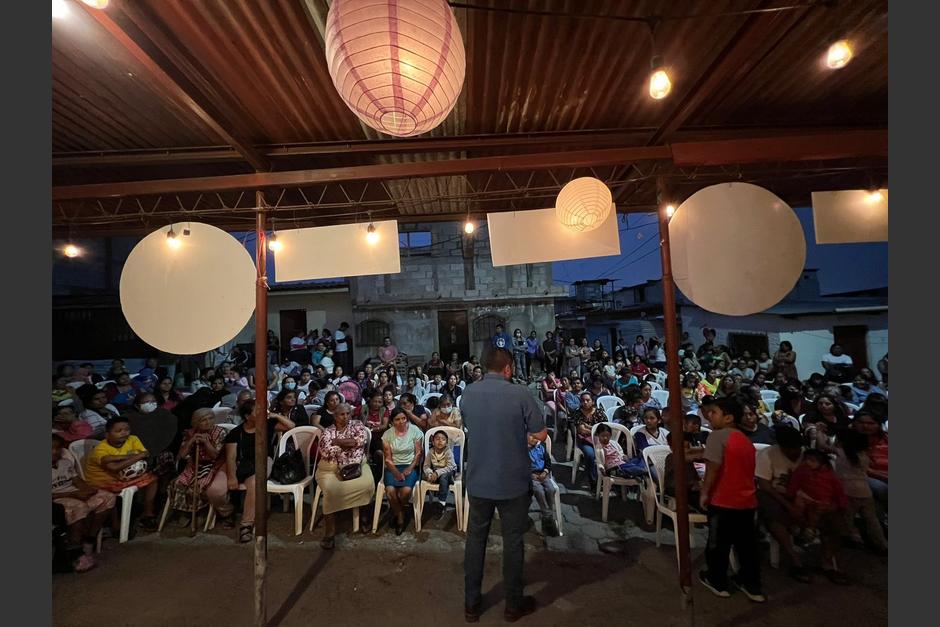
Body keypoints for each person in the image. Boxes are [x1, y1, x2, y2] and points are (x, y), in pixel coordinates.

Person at [462, 346, 546, 622]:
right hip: (512, 482)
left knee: (475, 541)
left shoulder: (468, 394)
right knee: (512, 542)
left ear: (485, 367)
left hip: (478, 480)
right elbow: (540, 433)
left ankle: (471, 604)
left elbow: (471, 427)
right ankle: (512, 604)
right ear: (509, 368)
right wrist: (525, 439)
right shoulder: (519, 393)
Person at [698, 396, 765, 602]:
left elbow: (713, 468)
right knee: (747, 546)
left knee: (718, 544)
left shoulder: (717, 437)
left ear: (728, 417)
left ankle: (717, 581)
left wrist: (705, 492)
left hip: (724, 499)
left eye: (714, 412)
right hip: (747, 500)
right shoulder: (744, 439)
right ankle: (751, 584)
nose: (709, 415)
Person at [224, 400, 295, 542]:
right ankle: (230, 512)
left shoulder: (267, 425)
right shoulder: (236, 433)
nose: (262, 413)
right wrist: (232, 476)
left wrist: (275, 415)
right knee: (250, 484)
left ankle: (246, 525)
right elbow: (230, 457)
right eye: (257, 411)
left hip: (264, 461)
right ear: (247, 416)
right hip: (244, 465)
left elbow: (291, 426)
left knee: (255, 483)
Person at [52, 434, 116, 572]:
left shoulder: (65, 463)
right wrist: (74, 495)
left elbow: (76, 481)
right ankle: (76, 551)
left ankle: (89, 539)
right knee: (79, 507)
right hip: (58, 500)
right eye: (52, 448)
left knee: (107, 497)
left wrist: (88, 490)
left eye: (58, 448)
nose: (55, 451)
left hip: (75, 493)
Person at [83, 416, 160, 531]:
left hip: (122, 477)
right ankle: (117, 526)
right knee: (112, 494)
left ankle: (148, 514)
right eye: (118, 431)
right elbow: (115, 468)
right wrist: (137, 456)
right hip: (103, 481)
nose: (124, 433)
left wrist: (119, 458)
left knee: (152, 479)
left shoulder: (133, 439)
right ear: (107, 434)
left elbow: (146, 453)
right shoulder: (100, 449)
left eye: (127, 429)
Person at [315, 402, 374, 549]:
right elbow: (326, 451)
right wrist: (349, 444)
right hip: (331, 469)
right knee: (331, 491)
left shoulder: (357, 424)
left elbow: (360, 441)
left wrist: (338, 442)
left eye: (348, 413)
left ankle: (364, 517)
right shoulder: (328, 431)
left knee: (367, 484)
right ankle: (330, 532)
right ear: (335, 416)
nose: (345, 416)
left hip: (356, 466)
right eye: (342, 414)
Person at [167, 408, 231, 526]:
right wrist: (191, 441)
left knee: (200, 484)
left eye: (210, 418)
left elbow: (215, 455)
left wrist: (206, 443)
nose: (208, 422)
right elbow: (182, 454)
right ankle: (186, 512)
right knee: (178, 483)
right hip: (194, 465)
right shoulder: (189, 433)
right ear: (196, 423)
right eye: (203, 420)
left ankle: (201, 511)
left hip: (214, 465)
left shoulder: (221, 432)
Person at [381, 407, 424, 535]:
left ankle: (395, 510)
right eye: (397, 419)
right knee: (390, 492)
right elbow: (388, 458)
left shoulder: (415, 431)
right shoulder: (388, 435)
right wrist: (396, 472)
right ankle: (400, 516)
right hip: (393, 466)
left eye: (404, 418)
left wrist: (410, 468)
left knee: (405, 491)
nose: (401, 422)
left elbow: (418, 453)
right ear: (392, 421)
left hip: (410, 465)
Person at [853, 409, 888, 532]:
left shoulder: (886, 438)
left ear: (878, 425)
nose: (865, 426)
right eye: (861, 422)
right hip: (864, 476)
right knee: (880, 488)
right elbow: (859, 468)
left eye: (871, 423)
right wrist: (883, 476)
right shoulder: (849, 440)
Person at [422, 429, 459, 519]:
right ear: (433, 442)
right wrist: (430, 474)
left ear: (446, 442)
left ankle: (441, 503)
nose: (440, 441)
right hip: (436, 472)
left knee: (444, 477)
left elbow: (451, 466)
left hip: (449, 472)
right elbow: (426, 466)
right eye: (437, 439)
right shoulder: (431, 452)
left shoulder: (448, 451)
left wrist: (437, 473)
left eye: (443, 439)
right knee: (424, 476)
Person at [528, 433, 558, 536]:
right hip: (532, 476)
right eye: (531, 436)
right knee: (539, 490)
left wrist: (545, 472)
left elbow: (548, 462)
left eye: (536, 438)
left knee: (551, 489)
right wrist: (531, 475)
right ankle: (548, 516)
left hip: (543, 474)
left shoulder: (541, 448)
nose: (534, 439)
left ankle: (547, 514)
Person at [573, 392, 607, 486]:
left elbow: (604, 428)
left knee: (609, 453)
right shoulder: (578, 413)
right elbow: (581, 430)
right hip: (585, 441)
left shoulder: (599, 412)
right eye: (583, 400)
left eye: (588, 400)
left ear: (592, 401)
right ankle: (593, 481)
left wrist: (588, 427)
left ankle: (608, 480)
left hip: (600, 440)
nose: (585, 402)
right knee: (590, 454)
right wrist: (595, 429)